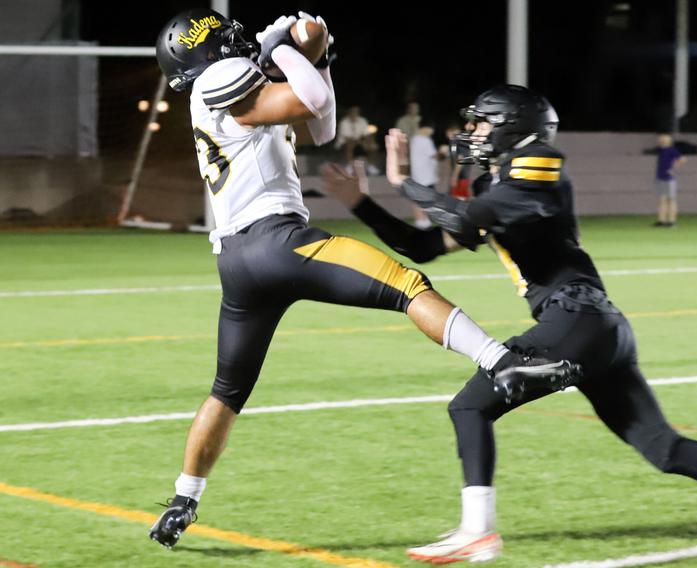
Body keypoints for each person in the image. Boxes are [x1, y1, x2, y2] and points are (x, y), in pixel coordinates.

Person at [321, 85, 697, 567]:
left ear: (511, 127)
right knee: (662, 448)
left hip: (577, 314)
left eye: (481, 123)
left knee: (471, 404)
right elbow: (427, 244)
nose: (470, 132)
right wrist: (362, 205)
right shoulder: (494, 185)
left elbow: (465, 217)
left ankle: (480, 527)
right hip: (594, 326)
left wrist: (403, 182)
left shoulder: (540, 159)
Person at [148, 11, 579, 549]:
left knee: (227, 390)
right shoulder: (218, 82)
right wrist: (280, 46)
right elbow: (311, 102)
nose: (237, 38)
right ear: (208, 52)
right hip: (278, 243)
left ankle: (183, 501)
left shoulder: (227, 90)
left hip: (237, 263)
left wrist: (319, 56)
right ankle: (505, 364)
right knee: (406, 284)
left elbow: (321, 124)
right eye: (225, 37)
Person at [409, 118, 446, 228]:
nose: (432, 132)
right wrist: (443, 151)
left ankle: (422, 221)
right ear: (427, 128)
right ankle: (422, 221)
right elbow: (435, 157)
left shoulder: (415, 139)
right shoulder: (424, 140)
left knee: (420, 199)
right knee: (424, 200)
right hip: (425, 176)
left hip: (419, 175)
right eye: (431, 129)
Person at [335, 105, 380, 173]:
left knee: (373, 146)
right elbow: (347, 137)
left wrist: (366, 142)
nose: (354, 113)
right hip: (345, 143)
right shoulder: (344, 122)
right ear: (349, 112)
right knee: (350, 144)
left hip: (360, 142)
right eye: (353, 112)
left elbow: (366, 134)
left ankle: (371, 165)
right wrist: (359, 141)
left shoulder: (363, 120)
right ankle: (349, 165)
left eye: (356, 112)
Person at [653, 132, 685, 227]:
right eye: (661, 138)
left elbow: (682, 159)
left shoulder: (671, 150)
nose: (661, 139)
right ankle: (661, 221)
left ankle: (672, 221)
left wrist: (673, 169)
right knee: (662, 200)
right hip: (660, 178)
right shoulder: (660, 150)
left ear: (669, 140)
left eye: (664, 138)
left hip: (669, 179)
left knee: (671, 200)